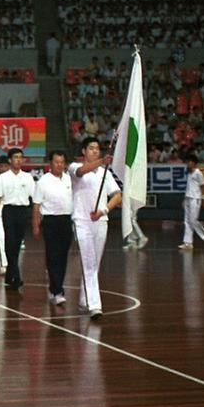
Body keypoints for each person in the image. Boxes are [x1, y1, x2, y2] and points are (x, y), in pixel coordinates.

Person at [68, 137, 122, 319]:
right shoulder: (74, 167)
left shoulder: (104, 173)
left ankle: (85, 300)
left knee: (94, 264)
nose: (94, 151)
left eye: (97, 149)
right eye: (91, 148)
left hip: (100, 221)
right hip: (81, 221)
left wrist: (103, 210)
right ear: (84, 151)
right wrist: (102, 162)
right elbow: (82, 171)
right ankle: (95, 305)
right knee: (88, 261)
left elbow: (117, 195)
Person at [32, 150, 73, 306]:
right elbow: (36, 205)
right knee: (53, 255)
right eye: (56, 162)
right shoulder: (43, 181)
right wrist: (36, 225)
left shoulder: (69, 180)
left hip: (66, 220)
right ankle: (57, 291)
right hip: (50, 221)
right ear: (50, 164)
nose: (59, 165)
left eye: (62, 162)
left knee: (62, 256)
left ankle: (55, 286)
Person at [0, 148, 35, 291]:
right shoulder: (3, 178)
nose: (18, 160)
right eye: (15, 157)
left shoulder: (28, 177)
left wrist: (37, 215)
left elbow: (34, 198)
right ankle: (16, 276)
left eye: (20, 157)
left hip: (23, 211)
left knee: (16, 244)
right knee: (9, 242)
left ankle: (10, 276)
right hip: (9, 211)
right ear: (10, 160)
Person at [178, 154, 204, 250]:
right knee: (187, 221)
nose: (187, 164)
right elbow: (188, 188)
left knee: (193, 220)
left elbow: (203, 187)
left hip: (195, 199)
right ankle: (188, 243)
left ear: (193, 163)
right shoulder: (189, 173)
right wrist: (184, 200)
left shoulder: (198, 173)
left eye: (189, 162)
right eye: (187, 162)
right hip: (188, 198)